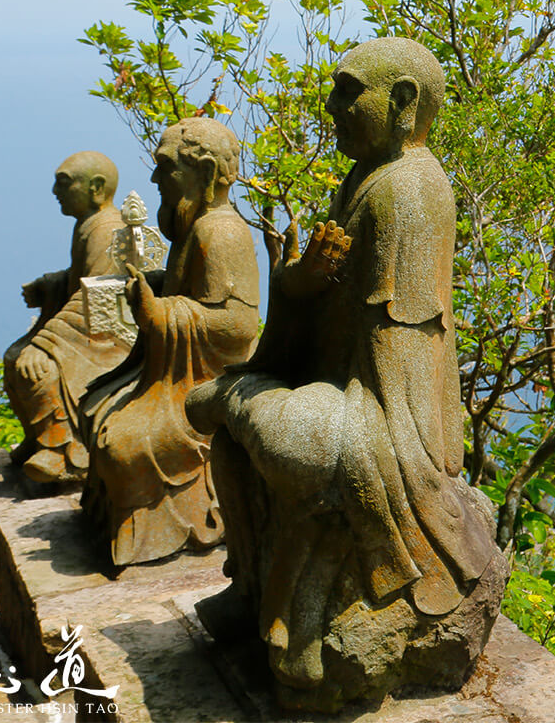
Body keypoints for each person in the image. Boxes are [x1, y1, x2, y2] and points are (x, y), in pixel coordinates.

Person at [187, 37, 503, 711]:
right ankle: (254, 592)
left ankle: (296, 622)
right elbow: (324, 332)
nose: (331, 107)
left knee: (242, 417)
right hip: (333, 394)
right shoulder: (362, 181)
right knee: (223, 422)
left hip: (381, 423)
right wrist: (301, 285)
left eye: (347, 90)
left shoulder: (411, 194)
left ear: (404, 102)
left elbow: (401, 367)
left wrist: (300, 325)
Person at [81, 117, 259, 566]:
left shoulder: (221, 231)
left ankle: (177, 525)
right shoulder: (192, 227)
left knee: (122, 444)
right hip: (169, 372)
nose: (156, 179)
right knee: (95, 404)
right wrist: (157, 286)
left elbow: (238, 326)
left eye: (166, 168)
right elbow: (192, 293)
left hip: (203, 384)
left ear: (202, 171)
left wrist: (160, 312)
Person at [3, 151, 129, 483]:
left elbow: (97, 298)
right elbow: (80, 278)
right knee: (15, 355)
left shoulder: (107, 230)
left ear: (96, 188)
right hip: (84, 325)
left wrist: (44, 343)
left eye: (63, 183)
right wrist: (51, 284)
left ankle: (64, 452)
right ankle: (39, 436)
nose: (54, 192)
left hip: (105, 336)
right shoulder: (88, 226)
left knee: (36, 366)